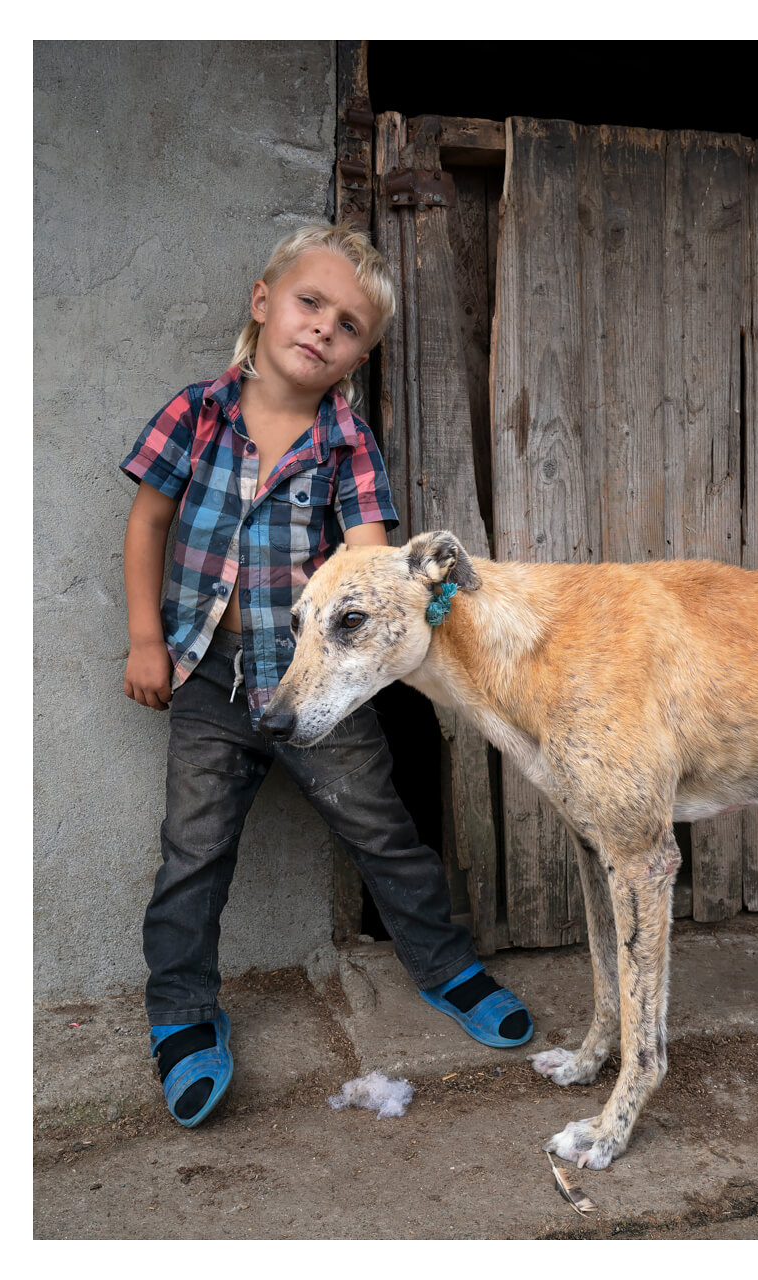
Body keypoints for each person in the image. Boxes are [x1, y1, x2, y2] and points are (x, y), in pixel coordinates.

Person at [120, 222, 533, 1128]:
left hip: (321, 685)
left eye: (347, 324)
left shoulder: (347, 444)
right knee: (193, 851)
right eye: (310, 302)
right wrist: (146, 639)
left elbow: (370, 566)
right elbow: (149, 525)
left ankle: (445, 966)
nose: (322, 328)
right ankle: (182, 1015)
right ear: (264, 301)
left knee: (381, 828)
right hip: (207, 679)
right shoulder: (193, 414)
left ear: (359, 354)